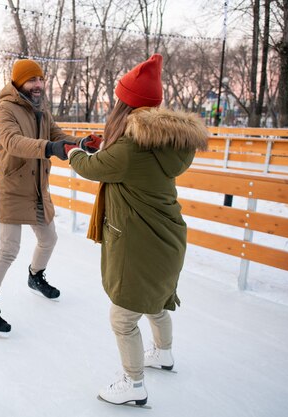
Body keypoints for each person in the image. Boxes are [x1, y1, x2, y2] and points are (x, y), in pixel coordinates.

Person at [64, 54, 208, 405]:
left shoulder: (129, 148)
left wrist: (72, 152)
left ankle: (134, 384)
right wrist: (106, 147)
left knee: (123, 315)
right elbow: (122, 161)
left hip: (141, 244)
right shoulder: (167, 140)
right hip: (169, 240)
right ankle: (164, 353)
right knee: (155, 301)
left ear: (125, 104)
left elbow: (93, 167)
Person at [0, 58, 82, 336]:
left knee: (49, 238)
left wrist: (80, 143)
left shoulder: (41, 109)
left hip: (36, 187)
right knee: (8, 249)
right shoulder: (4, 109)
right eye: (32, 80)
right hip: (12, 187)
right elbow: (13, 142)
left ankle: (35, 276)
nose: (38, 84)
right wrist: (50, 148)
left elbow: (57, 135)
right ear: (18, 82)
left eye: (40, 79)